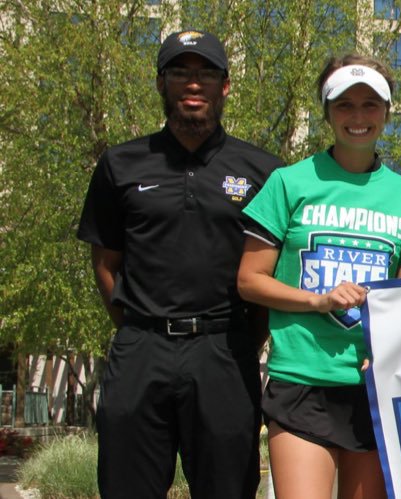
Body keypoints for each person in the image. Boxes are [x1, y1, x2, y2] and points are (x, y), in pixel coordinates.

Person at [77, 29, 278, 498]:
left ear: (225, 86)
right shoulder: (120, 164)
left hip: (225, 352)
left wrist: (246, 341)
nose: (193, 84)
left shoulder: (263, 171)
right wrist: (137, 328)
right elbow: (105, 263)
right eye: (180, 73)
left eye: (206, 73)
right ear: (160, 83)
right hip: (140, 350)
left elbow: (270, 271)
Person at [238, 54, 401, 498]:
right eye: (344, 105)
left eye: (370, 104)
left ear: (386, 112)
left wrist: (388, 349)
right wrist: (318, 300)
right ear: (325, 111)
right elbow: (249, 280)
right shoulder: (289, 182)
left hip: (373, 384)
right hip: (302, 380)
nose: (358, 117)